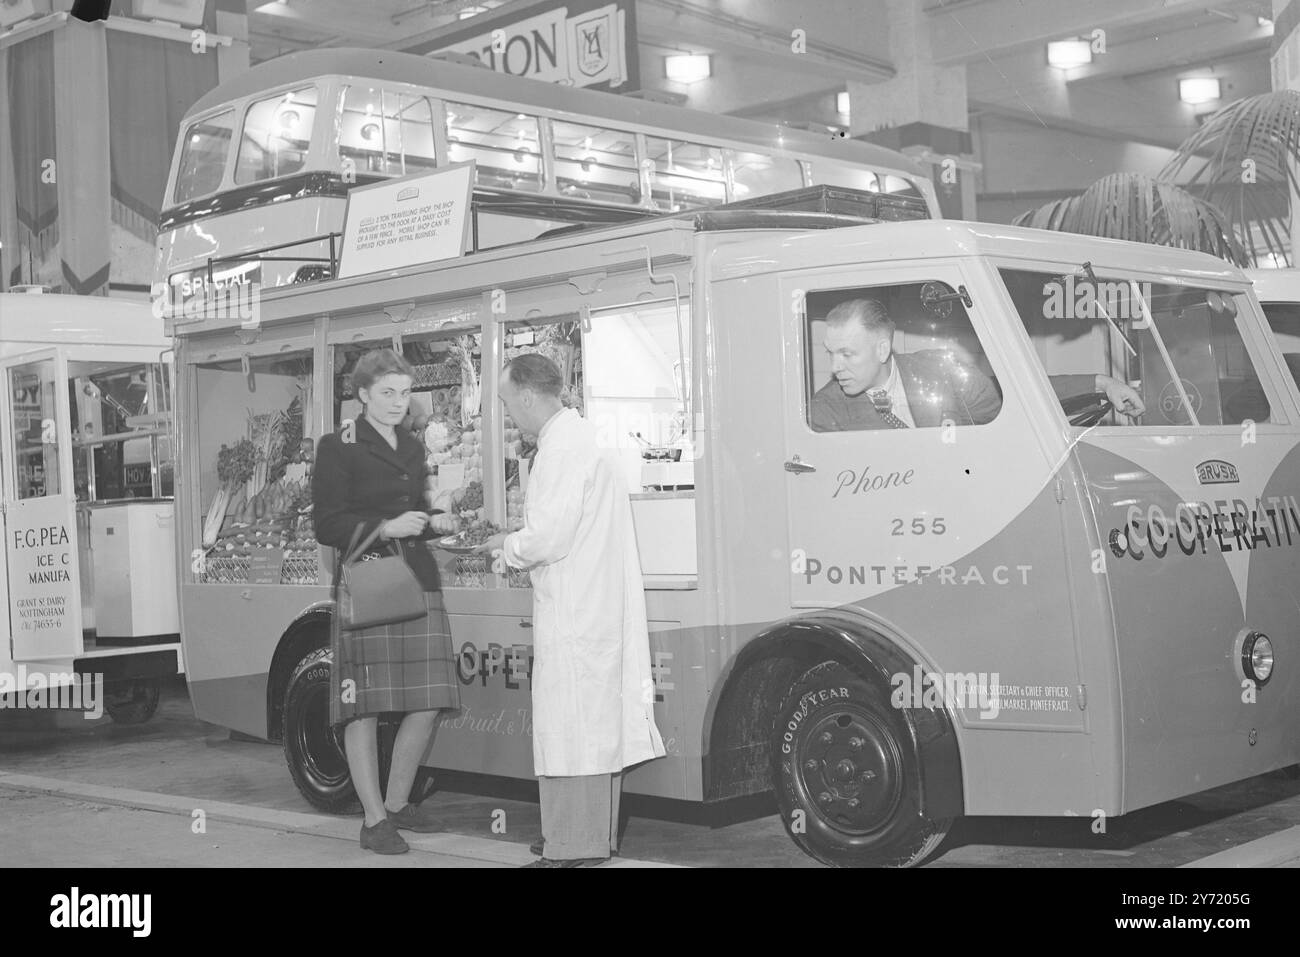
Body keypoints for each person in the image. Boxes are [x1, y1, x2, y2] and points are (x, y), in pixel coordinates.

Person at [479, 353, 666, 868]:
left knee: (571, 731)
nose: (507, 412)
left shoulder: (559, 452)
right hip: (593, 609)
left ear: (527, 396)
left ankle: (569, 848)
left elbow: (547, 537)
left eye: (505, 401)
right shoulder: (584, 439)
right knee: (593, 730)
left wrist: (506, 545)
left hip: (573, 614)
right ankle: (586, 839)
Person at [312, 348, 461, 855]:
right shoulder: (337, 446)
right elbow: (326, 524)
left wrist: (434, 517)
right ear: (362, 396)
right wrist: (383, 528)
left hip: (417, 580)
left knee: (428, 700)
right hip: (370, 585)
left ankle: (398, 804)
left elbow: (414, 507)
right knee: (364, 709)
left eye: (405, 393)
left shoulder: (415, 449)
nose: (399, 402)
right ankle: (374, 820)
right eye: (387, 393)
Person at [810, 298, 1146, 431]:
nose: (835, 366)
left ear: (882, 348)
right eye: (830, 353)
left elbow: (1009, 396)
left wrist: (1102, 383)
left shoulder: (938, 370)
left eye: (847, 353)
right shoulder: (825, 414)